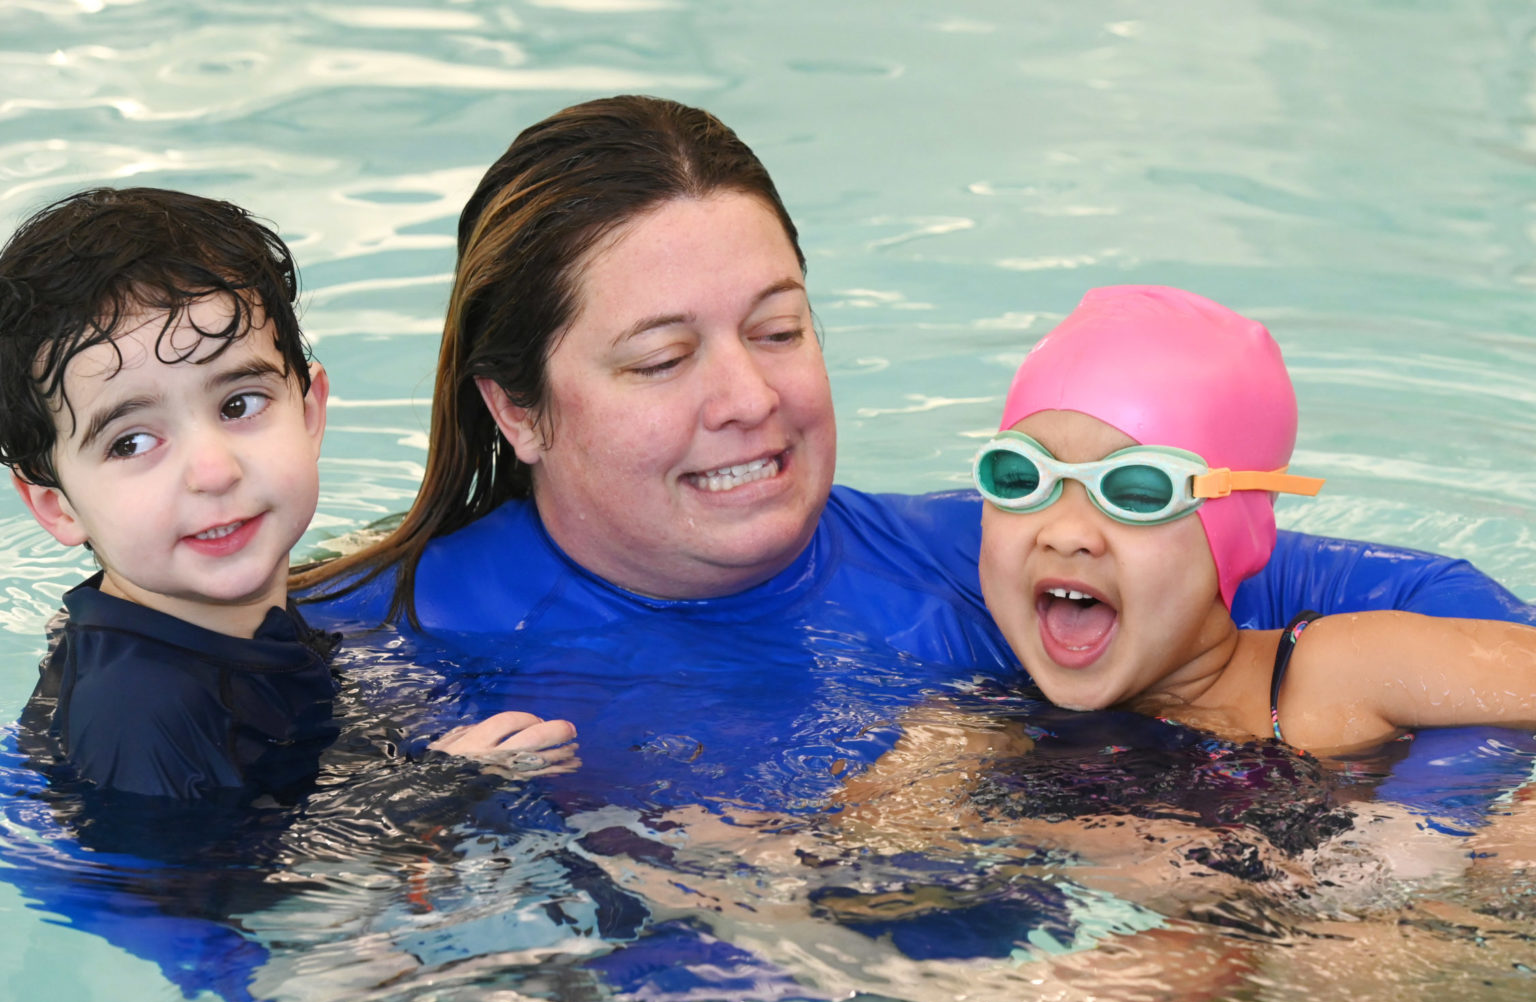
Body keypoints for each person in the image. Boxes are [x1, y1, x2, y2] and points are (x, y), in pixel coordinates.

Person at [300, 94, 1534, 814]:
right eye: (663, 359)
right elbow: (173, 872)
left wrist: (1419, 835)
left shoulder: (994, 553)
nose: (750, 399)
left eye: (779, 330)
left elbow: (1450, 620)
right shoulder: (361, 637)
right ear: (517, 410)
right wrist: (409, 812)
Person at [0, 186, 571, 802]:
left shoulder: (224, 626)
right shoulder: (140, 717)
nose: (213, 472)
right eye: (132, 443)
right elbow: (212, 894)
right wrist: (430, 793)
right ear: (55, 506)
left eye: (238, 404)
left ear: (309, 413)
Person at [975, 284, 1536, 749]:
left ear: (1236, 532)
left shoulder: (1332, 674)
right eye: (1021, 477)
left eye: (1139, 492)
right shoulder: (973, 728)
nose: (1066, 532)